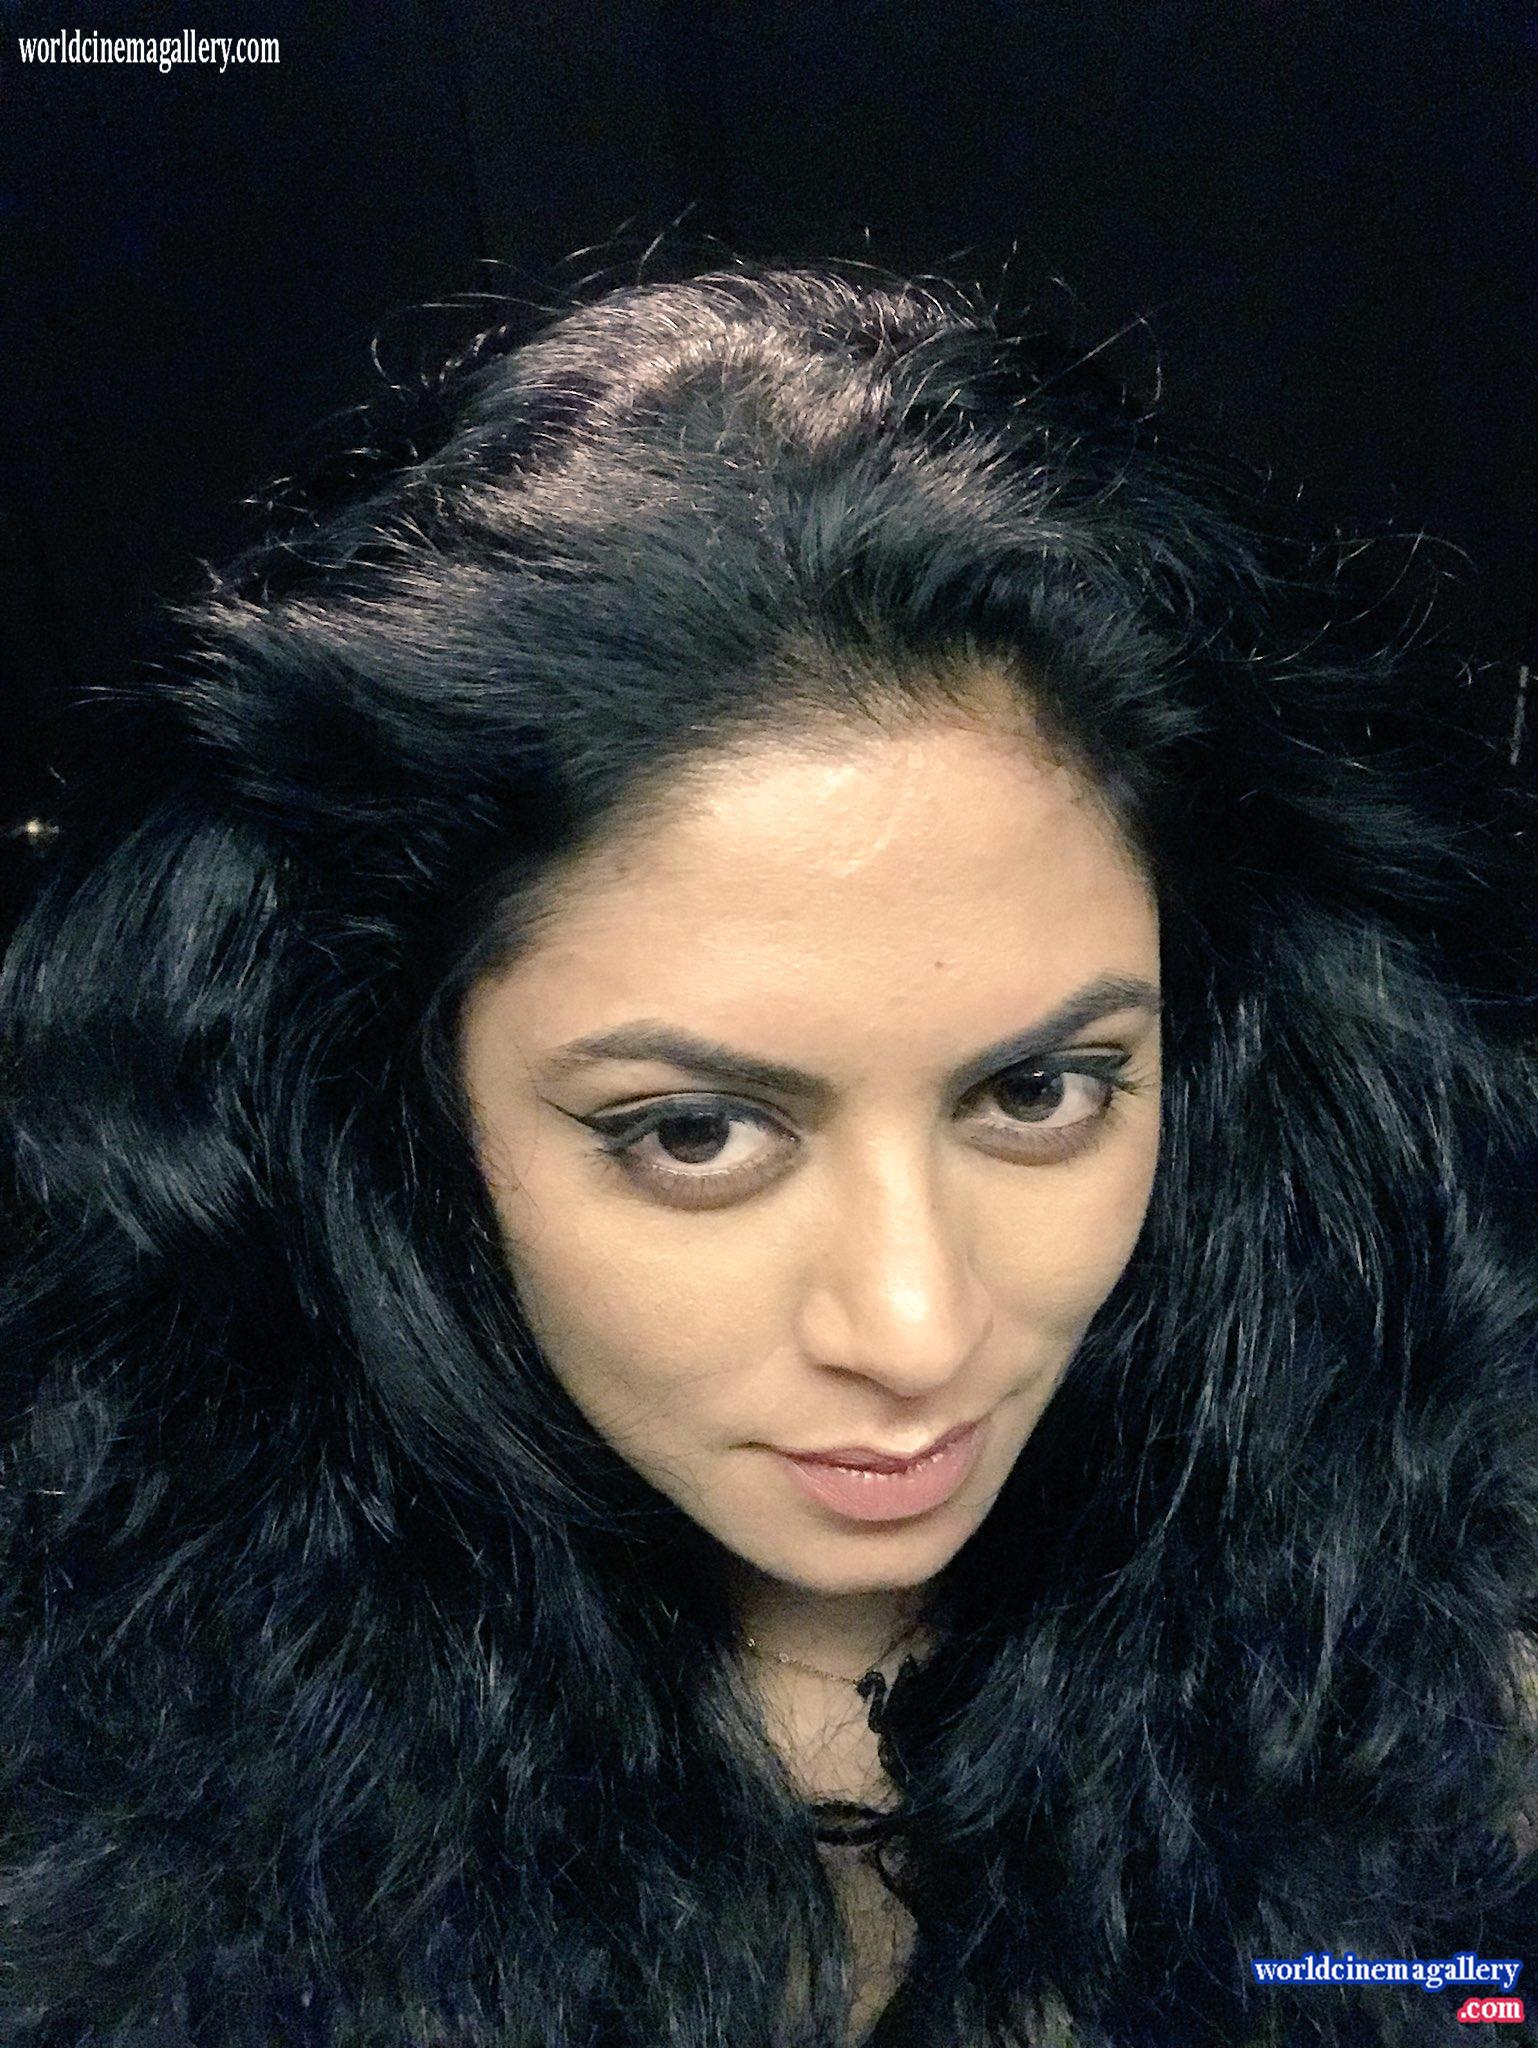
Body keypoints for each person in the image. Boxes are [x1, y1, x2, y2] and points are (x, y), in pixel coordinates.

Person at [1, 259, 1534, 2048]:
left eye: (1037, 1093)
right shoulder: (86, 1745)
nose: (913, 1329)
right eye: (698, 1132)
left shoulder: (1458, 1657)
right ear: (382, 1106)